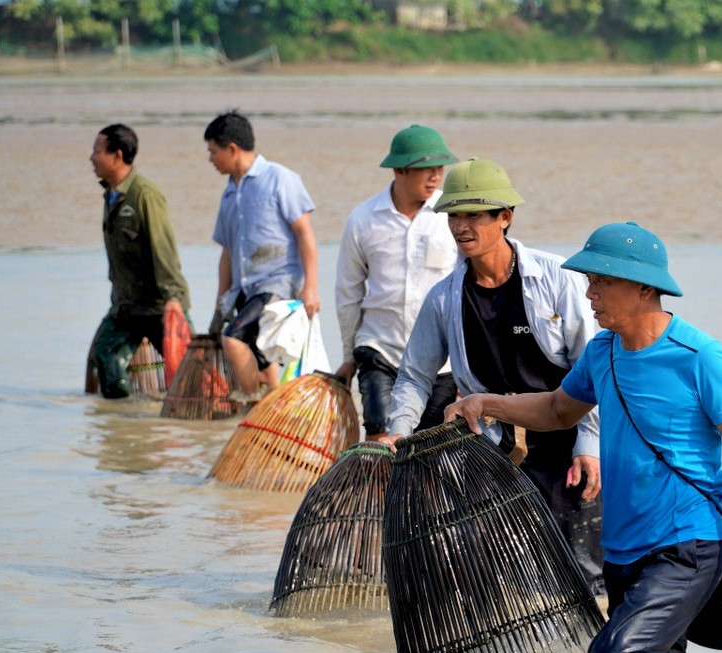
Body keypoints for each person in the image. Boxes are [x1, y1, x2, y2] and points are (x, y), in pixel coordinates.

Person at [444, 221, 722, 653]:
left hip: (688, 543)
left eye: (602, 281)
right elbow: (558, 410)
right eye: (589, 280)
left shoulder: (699, 356)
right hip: (621, 550)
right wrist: (485, 402)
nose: (589, 292)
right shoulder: (603, 352)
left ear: (644, 288)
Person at [385, 157, 605, 594]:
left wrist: (591, 445)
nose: (461, 227)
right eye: (454, 216)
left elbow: (592, 367)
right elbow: (414, 376)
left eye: (475, 215)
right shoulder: (445, 298)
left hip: (566, 441)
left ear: (504, 217)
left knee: (585, 573)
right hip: (492, 449)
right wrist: (397, 433)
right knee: (499, 571)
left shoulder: (556, 279)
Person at [334, 125, 459, 440]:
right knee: (381, 446)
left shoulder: (453, 217)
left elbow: (470, 290)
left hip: (440, 362)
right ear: (400, 169)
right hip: (380, 351)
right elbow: (348, 294)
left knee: (430, 454)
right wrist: (349, 357)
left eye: (439, 168)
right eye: (425, 168)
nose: (436, 176)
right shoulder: (363, 220)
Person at [205, 110, 320, 398]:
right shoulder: (229, 193)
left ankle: (252, 406)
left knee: (233, 339)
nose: (210, 160)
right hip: (246, 286)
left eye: (213, 152)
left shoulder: (279, 178)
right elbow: (228, 253)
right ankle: (273, 404)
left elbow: (305, 233)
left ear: (232, 149)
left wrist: (311, 288)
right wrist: (221, 304)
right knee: (264, 360)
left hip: (277, 284)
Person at [88, 123, 192, 399]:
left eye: (97, 151)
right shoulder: (111, 195)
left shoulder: (144, 195)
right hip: (126, 307)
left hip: (159, 305)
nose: (92, 158)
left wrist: (173, 299)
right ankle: (125, 422)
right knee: (105, 358)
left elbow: (163, 249)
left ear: (117, 156)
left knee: (191, 373)